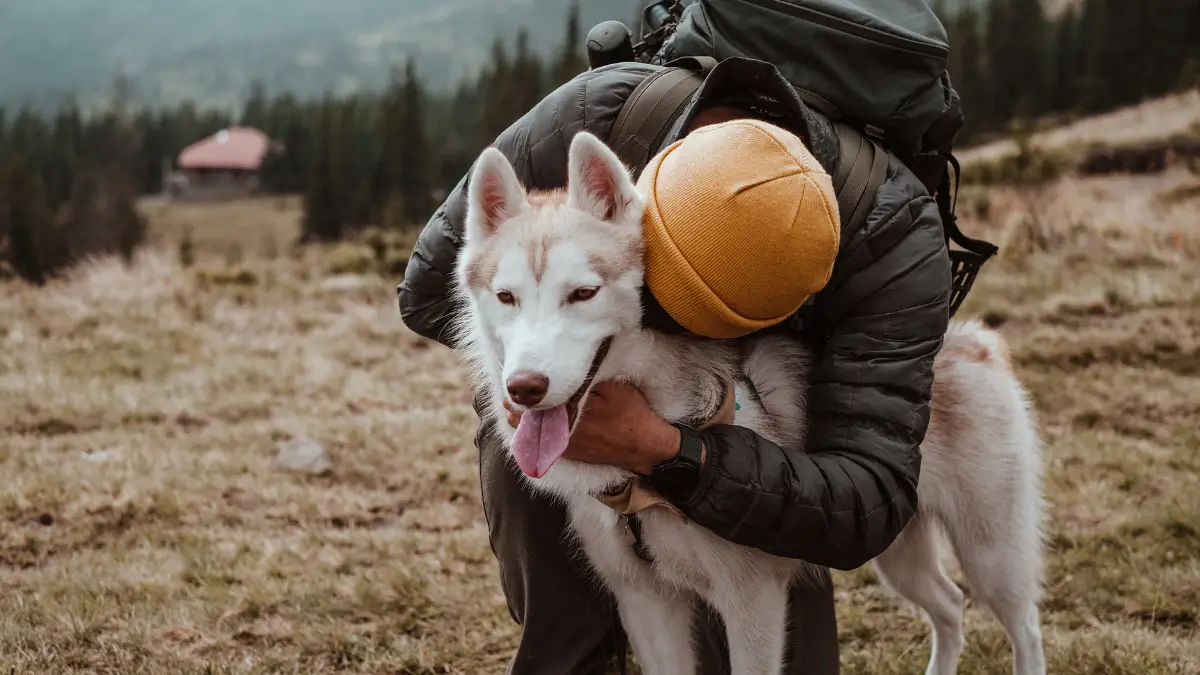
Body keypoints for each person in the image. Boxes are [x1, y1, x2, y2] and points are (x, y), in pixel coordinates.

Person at [398, 54, 952, 674]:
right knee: (520, 422)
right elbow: (424, 293)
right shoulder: (595, 113)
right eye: (675, 288)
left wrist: (665, 449)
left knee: (768, 622)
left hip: (780, 445)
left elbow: (863, 505)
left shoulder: (893, 230)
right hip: (619, 362)